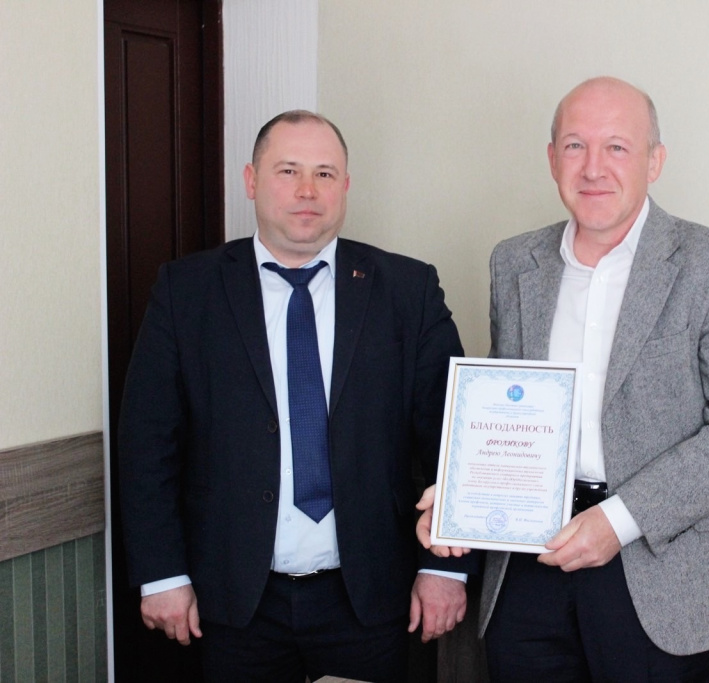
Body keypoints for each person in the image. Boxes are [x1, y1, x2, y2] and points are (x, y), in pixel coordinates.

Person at [418, 77, 709, 681]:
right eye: (574, 146)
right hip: (529, 561)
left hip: (659, 567)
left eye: (617, 147)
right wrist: (460, 495)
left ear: (654, 161)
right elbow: (509, 409)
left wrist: (618, 521)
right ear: (552, 158)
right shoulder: (514, 261)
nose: (593, 168)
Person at [119, 110, 474, 683]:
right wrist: (162, 573)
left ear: (345, 186)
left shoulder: (408, 291)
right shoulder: (186, 291)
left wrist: (445, 569)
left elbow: (453, 439)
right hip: (231, 601)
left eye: (325, 174)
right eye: (288, 171)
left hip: (370, 598)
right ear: (251, 180)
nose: (308, 190)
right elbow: (147, 444)